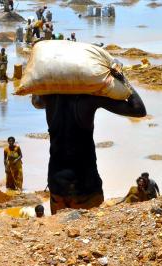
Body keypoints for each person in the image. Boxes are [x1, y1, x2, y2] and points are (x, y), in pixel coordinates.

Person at [31, 71, 146, 214]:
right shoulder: (89, 99)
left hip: (57, 187)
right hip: (86, 187)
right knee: (88, 233)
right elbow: (139, 110)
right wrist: (122, 78)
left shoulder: (47, 98)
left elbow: (35, 100)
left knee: (61, 233)